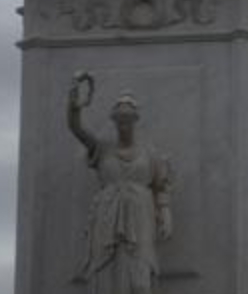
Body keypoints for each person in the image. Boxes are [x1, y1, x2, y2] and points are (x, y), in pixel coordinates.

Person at [67, 74, 173, 294]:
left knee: (140, 277)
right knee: (106, 273)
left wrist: (166, 214)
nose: (124, 124)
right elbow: (76, 129)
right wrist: (74, 107)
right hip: (107, 215)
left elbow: (160, 186)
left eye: (128, 120)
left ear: (135, 120)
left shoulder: (150, 154)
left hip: (141, 215)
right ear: (114, 121)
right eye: (120, 120)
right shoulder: (103, 148)